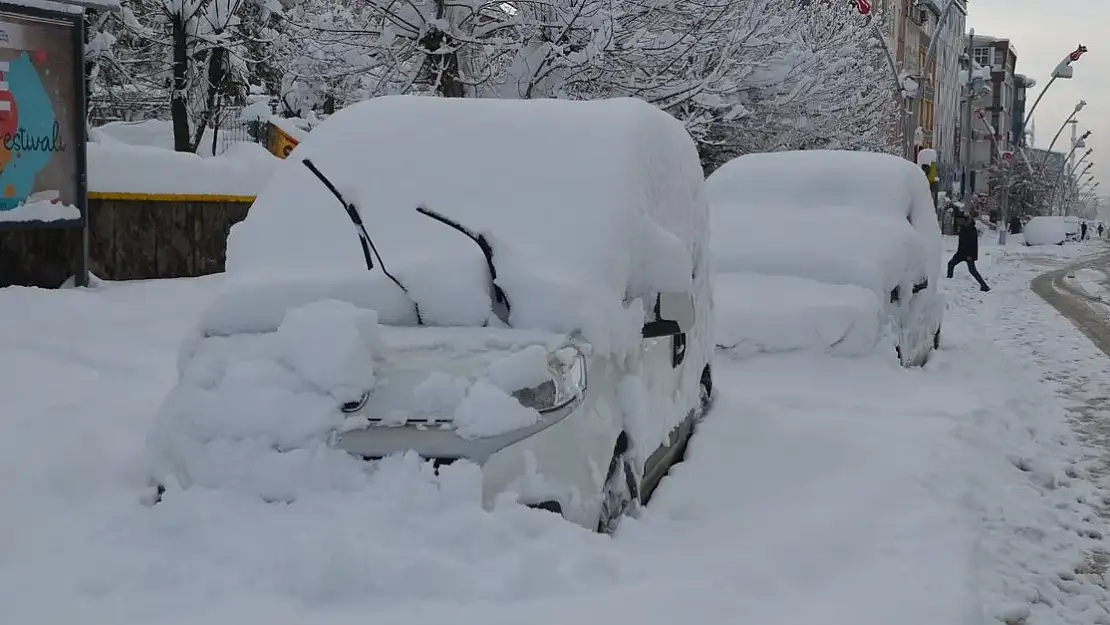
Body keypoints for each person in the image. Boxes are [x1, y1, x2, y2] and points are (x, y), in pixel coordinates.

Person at [947, 213, 990, 292]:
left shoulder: (970, 228)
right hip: (961, 253)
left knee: (972, 270)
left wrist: (970, 255)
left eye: (959, 220)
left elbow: (973, 243)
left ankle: (984, 286)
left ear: (963, 220)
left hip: (968, 254)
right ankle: (948, 283)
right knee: (951, 264)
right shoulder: (964, 227)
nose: (958, 222)